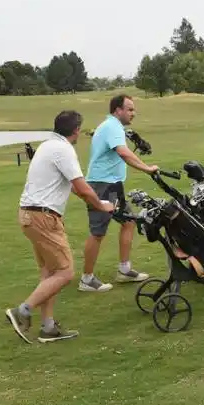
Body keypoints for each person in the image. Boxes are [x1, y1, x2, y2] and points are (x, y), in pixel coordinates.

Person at [5, 110, 116, 344]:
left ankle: (48, 328)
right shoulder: (64, 149)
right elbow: (82, 186)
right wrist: (101, 206)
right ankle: (23, 310)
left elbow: (73, 187)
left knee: (49, 273)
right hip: (44, 218)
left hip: (28, 215)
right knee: (65, 273)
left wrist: (97, 202)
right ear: (76, 130)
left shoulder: (47, 146)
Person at [79, 94, 160, 293]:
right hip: (101, 186)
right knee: (97, 232)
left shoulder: (113, 126)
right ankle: (86, 279)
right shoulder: (112, 126)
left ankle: (124, 270)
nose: (134, 113)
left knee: (129, 222)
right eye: (130, 109)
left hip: (113, 185)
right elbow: (123, 152)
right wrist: (147, 168)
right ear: (118, 110)